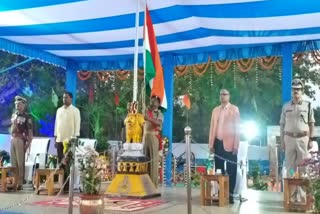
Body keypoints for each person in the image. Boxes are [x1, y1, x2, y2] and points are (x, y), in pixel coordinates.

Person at [280, 78, 315, 202]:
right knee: (290, 168)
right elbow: (282, 125)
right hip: (289, 139)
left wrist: (311, 139)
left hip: (302, 140)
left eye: (298, 89)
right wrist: (281, 141)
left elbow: (312, 124)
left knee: (303, 168)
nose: (296, 91)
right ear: (291, 91)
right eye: (294, 89)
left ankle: (302, 196)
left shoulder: (308, 105)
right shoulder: (286, 106)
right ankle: (292, 196)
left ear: (302, 91)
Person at [208, 89, 240, 203]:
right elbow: (212, 128)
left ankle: (230, 195)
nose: (223, 96)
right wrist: (211, 144)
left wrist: (236, 145)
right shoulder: (215, 110)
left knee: (232, 170)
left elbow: (237, 129)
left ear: (229, 96)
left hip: (230, 144)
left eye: (225, 94)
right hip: (218, 143)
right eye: (221, 94)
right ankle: (220, 194)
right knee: (219, 170)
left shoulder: (234, 109)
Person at [54, 91, 81, 190]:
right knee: (60, 162)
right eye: (63, 97)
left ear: (71, 99)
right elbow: (56, 124)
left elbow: (77, 125)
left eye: (66, 97)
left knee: (68, 163)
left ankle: (67, 186)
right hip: (59, 139)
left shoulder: (75, 110)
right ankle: (60, 185)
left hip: (69, 141)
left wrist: (75, 138)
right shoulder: (59, 110)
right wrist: (55, 137)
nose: (64, 99)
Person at [10, 96, 33, 190]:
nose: (17, 106)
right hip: (13, 138)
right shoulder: (14, 115)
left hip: (20, 139)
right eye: (16, 104)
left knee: (20, 162)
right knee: (13, 162)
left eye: (19, 104)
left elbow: (30, 130)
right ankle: (13, 181)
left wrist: (28, 143)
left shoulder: (27, 116)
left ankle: (20, 182)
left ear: (24, 105)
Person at [144, 96, 163, 188]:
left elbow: (158, 123)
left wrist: (149, 118)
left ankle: (153, 184)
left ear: (159, 104)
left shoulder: (159, 113)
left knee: (153, 161)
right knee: (144, 160)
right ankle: (145, 184)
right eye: (152, 100)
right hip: (145, 137)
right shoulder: (145, 111)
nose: (153, 102)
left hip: (154, 137)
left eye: (155, 101)